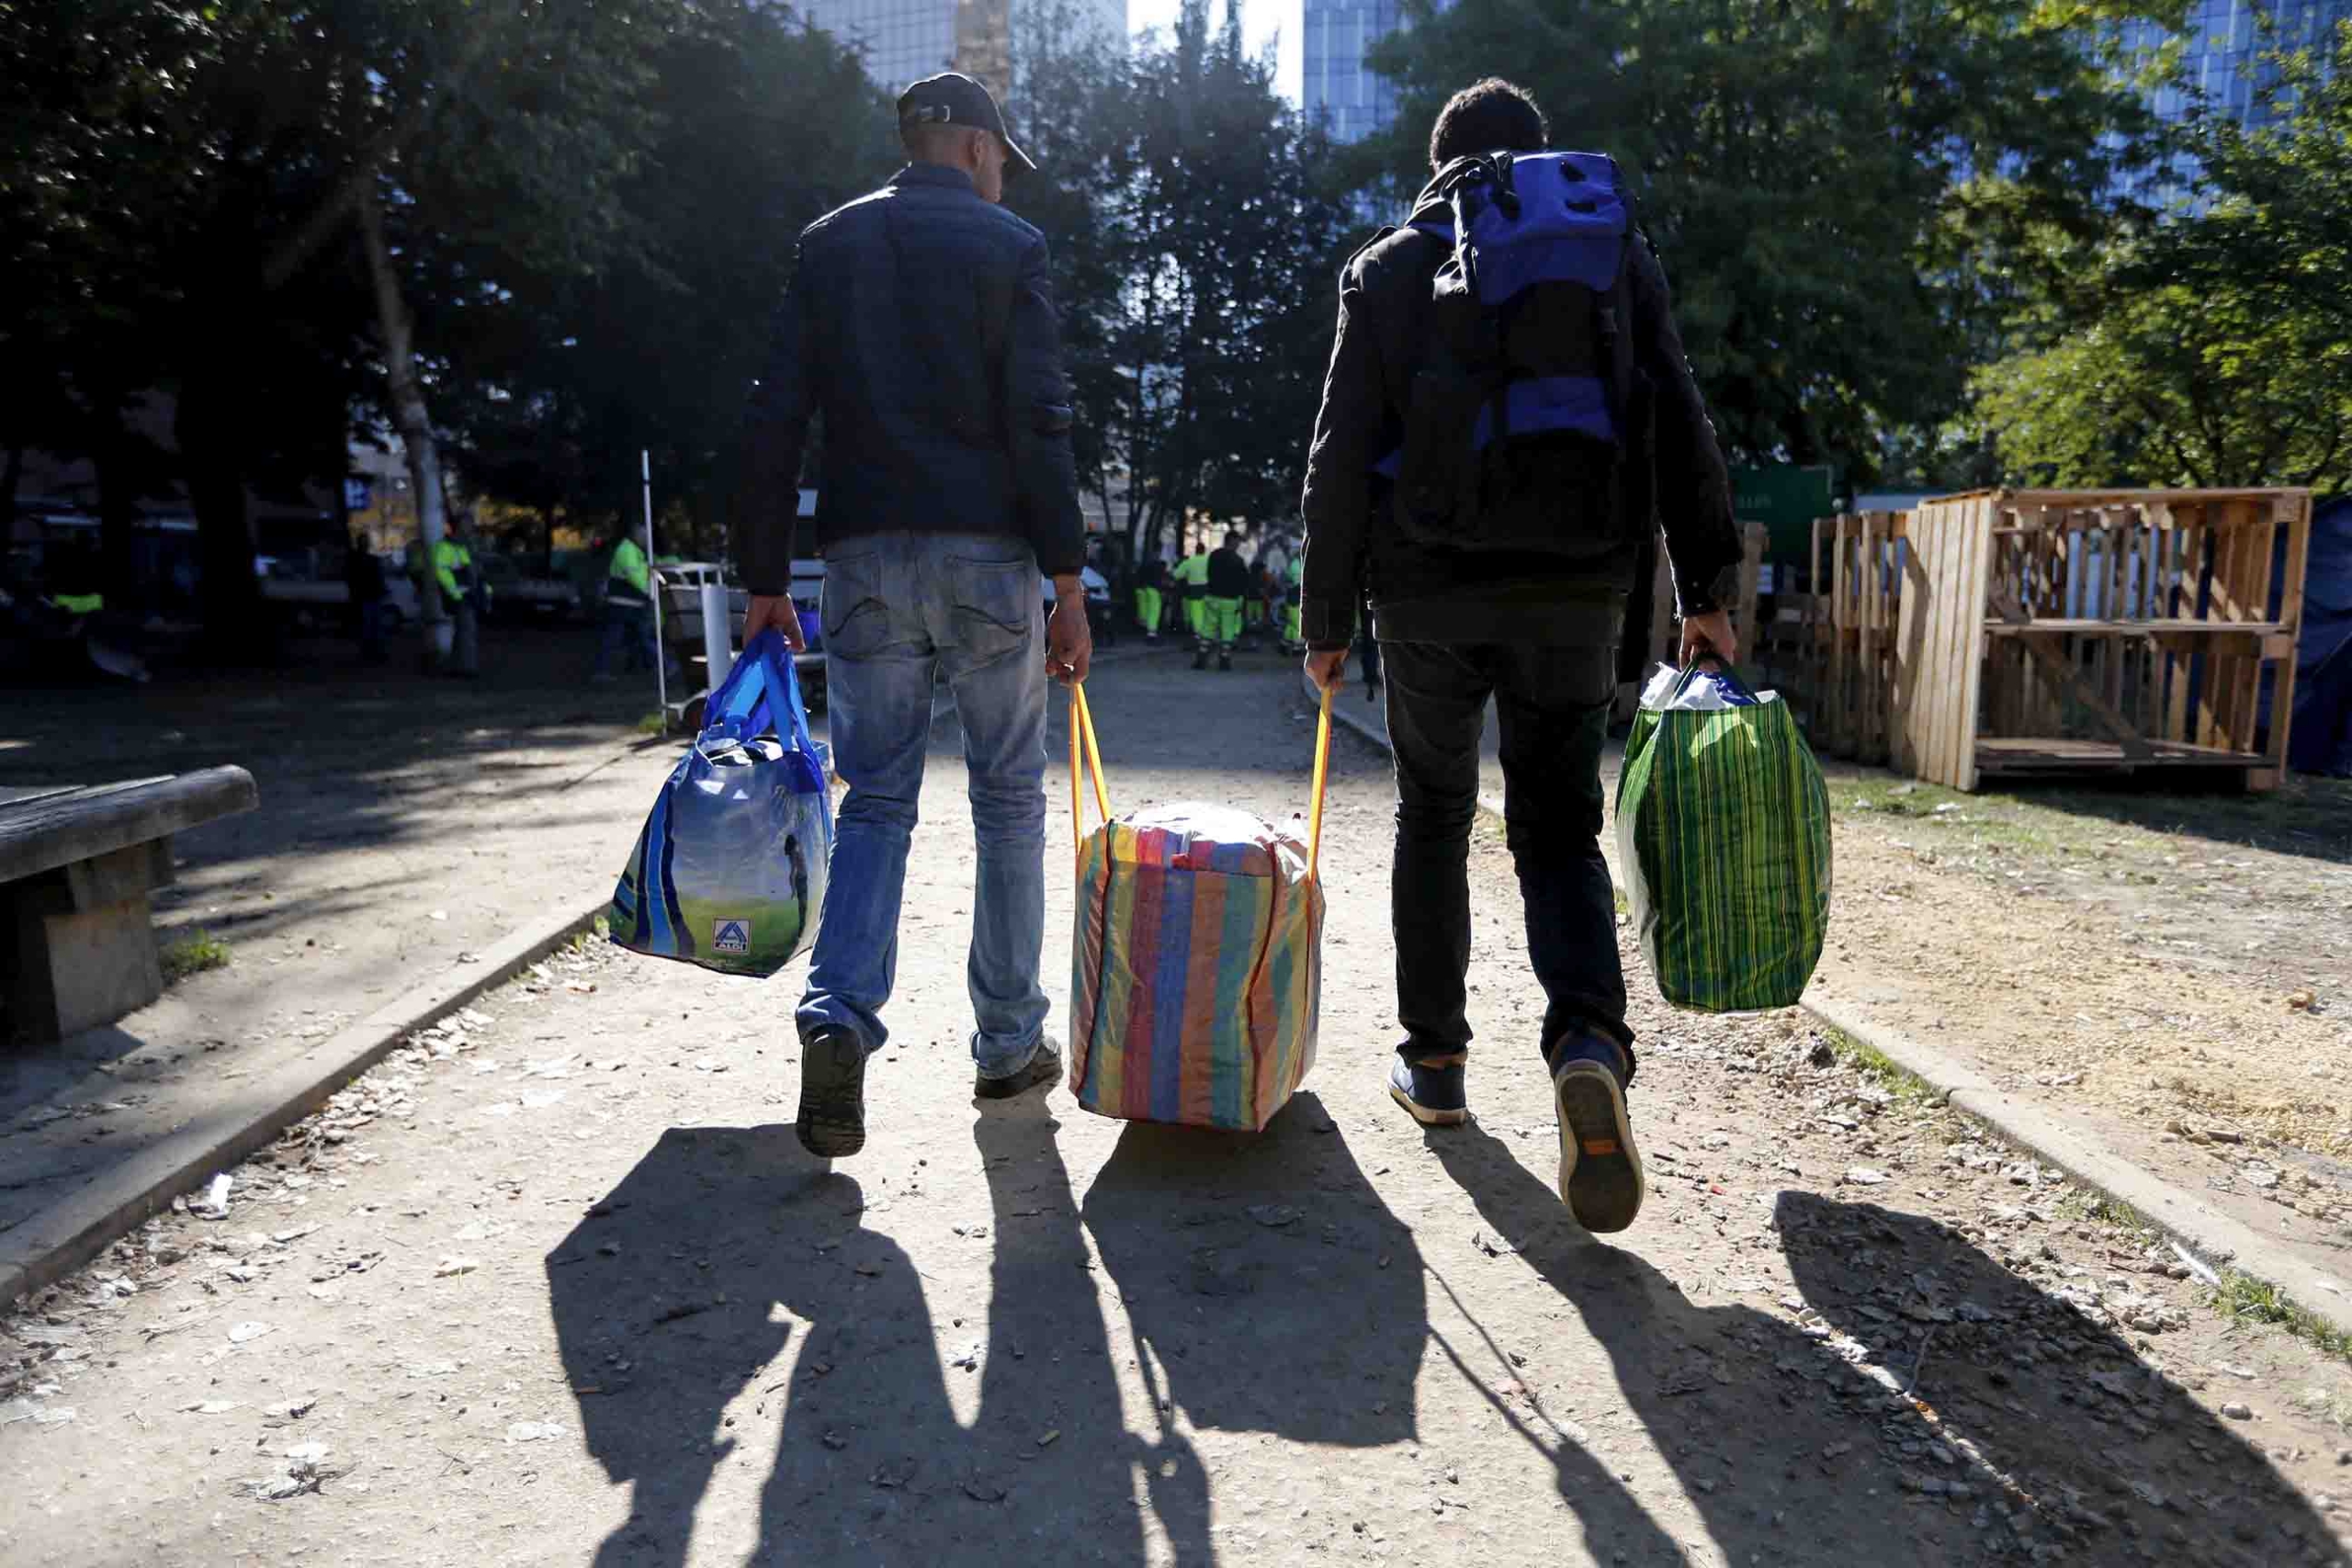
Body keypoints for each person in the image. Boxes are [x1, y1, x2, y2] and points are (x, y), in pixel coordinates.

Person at [1297, 78, 1744, 1235]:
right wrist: (1706, 589)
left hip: (1425, 594)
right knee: (1557, 827)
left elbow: (1341, 454)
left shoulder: (1389, 267)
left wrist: (1324, 621)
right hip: (1577, 586)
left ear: (1438, 162)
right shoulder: (1608, 259)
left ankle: (1435, 1067)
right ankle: (1588, 1040)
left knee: (1433, 816)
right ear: (1544, 162)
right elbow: (1677, 415)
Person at [738, 71, 1091, 1158]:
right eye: (1002, 161)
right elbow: (1039, 419)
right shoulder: (1008, 246)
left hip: (862, 561)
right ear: (978, 148)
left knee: (877, 796)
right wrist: (1069, 583)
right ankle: (1003, 1043)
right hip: (990, 557)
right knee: (1008, 804)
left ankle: (838, 1014)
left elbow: (776, 411)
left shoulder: (829, 243)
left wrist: (761, 577)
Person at [594, 533, 667, 682]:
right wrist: (648, 592)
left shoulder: (635, 552)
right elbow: (635, 577)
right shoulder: (628, 551)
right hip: (624, 602)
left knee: (634, 637)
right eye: (644, 533)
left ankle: (643, 666)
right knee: (624, 637)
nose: (646, 537)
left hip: (629, 602)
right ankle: (664, 665)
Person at [1194, 530, 1250, 671]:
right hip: (1229, 600)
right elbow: (1243, 582)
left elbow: (1209, 574)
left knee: (1208, 628)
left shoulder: (1214, 555)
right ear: (1232, 541)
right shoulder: (1238, 560)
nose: (1238, 545)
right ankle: (1224, 660)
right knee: (1227, 630)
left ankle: (1201, 659)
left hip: (1212, 598)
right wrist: (1241, 598)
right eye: (1237, 541)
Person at [430, 526, 481, 678]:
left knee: (463, 633)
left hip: (464, 596)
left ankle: (461, 666)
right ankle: (465, 668)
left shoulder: (460, 548)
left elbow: (470, 571)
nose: (469, 531)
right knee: (465, 633)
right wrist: (457, 593)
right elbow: (444, 573)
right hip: (461, 596)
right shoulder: (449, 548)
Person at [345, 534, 390, 663]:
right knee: (373, 627)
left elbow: (351, 579)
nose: (365, 545)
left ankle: (371, 653)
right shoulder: (367, 559)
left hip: (367, 596)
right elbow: (378, 577)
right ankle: (373, 653)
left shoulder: (357, 559)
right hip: (369, 596)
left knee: (370, 627)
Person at [1170, 539, 1209, 646]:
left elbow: (1176, 575)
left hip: (1194, 590)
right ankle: (1207, 633)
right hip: (1207, 590)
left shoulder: (1189, 562)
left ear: (1195, 551)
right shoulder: (1209, 560)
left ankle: (1198, 634)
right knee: (1206, 612)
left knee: (1196, 613)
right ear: (1204, 551)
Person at [1133, 552, 1167, 641]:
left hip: (1145, 589)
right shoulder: (1159, 566)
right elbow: (1159, 580)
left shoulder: (1146, 565)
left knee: (1147, 609)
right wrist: (1162, 590)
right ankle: (1151, 633)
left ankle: (1146, 628)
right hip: (1154, 590)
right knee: (1154, 611)